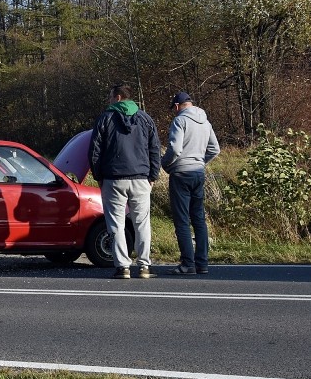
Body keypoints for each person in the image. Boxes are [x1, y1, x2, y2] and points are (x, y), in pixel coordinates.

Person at [89, 84, 161, 279]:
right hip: (140, 178)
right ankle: (145, 266)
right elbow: (154, 148)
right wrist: (153, 176)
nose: (109, 100)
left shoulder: (105, 118)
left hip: (113, 179)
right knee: (142, 223)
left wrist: (99, 177)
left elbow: (94, 151)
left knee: (116, 224)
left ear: (118, 97)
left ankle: (123, 267)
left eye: (110, 96)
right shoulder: (145, 118)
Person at [162, 92, 221, 275]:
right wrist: (200, 162)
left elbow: (176, 148)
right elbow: (215, 149)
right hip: (198, 173)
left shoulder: (180, 121)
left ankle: (188, 264)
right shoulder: (205, 121)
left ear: (178, 106)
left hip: (181, 174)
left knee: (182, 221)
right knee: (199, 219)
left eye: (175, 109)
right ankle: (202, 263)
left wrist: (165, 164)